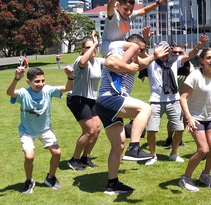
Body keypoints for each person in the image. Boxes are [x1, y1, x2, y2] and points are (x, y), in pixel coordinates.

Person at [96, 33, 169, 194]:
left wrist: (153, 56)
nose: (142, 53)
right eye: (140, 50)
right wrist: (129, 67)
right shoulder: (117, 53)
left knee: (118, 145)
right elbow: (110, 63)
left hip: (104, 104)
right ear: (130, 47)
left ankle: (112, 183)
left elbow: (141, 64)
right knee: (145, 108)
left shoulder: (133, 58)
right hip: (111, 98)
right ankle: (134, 147)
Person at [140, 36, 208, 166]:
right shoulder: (151, 62)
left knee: (179, 128)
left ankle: (174, 154)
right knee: (151, 130)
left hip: (174, 100)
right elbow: (141, 51)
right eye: (161, 49)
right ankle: (153, 155)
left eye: (166, 49)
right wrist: (146, 39)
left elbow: (189, 55)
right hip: (156, 101)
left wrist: (199, 45)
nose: (163, 52)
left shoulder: (175, 61)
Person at [7, 65, 74, 194]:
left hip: (45, 129)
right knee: (29, 156)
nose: (41, 84)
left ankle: (50, 177)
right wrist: (16, 79)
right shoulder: (23, 93)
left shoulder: (47, 90)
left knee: (57, 153)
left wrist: (70, 77)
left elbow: (68, 88)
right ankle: (29, 180)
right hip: (27, 130)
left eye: (43, 80)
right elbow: (10, 93)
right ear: (28, 81)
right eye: (37, 81)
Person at [178, 48, 211, 192]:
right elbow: (183, 98)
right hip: (195, 118)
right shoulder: (194, 76)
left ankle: (205, 175)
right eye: (208, 58)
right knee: (202, 150)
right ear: (202, 60)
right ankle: (185, 178)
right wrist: (189, 118)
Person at [100, 0, 167, 65]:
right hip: (107, 45)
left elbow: (143, 10)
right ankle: (123, 67)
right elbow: (109, 5)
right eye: (125, 9)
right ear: (117, 5)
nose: (128, 12)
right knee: (134, 46)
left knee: (138, 52)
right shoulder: (114, 16)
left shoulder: (130, 16)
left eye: (131, 10)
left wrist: (158, 3)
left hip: (119, 46)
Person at [66, 31, 104, 171]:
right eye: (88, 47)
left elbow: (114, 61)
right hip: (77, 98)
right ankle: (73, 160)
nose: (92, 49)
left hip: (91, 99)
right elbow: (83, 62)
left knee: (97, 129)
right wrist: (94, 43)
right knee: (89, 130)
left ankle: (85, 158)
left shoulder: (98, 61)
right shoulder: (80, 60)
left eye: (94, 47)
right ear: (83, 50)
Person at [164, 44, 194, 147]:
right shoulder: (168, 64)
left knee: (184, 118)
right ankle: (169, 137)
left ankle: (178, 138)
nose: (177, 54)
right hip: (172, 97)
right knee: (172, 119)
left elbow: (193, 76)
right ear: (171, 54)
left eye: (180, 52)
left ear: (183, 54)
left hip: (185, 97)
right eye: (175, 52)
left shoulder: (188, 64)